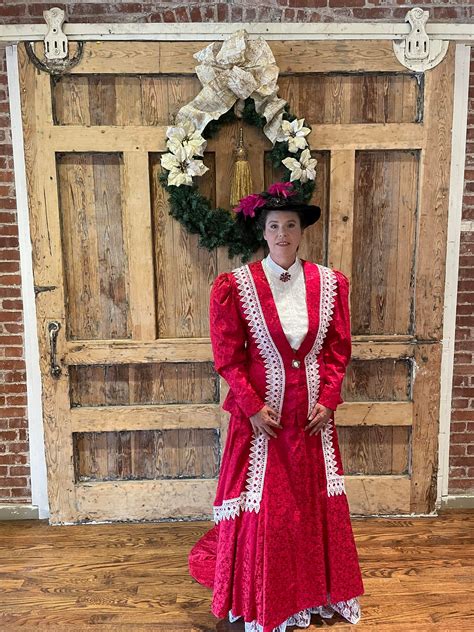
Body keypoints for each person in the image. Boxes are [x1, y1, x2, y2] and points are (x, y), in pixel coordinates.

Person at [188, 183, 364, 632]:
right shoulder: (236, 286)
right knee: (269, 506)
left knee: (308, 505)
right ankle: (265, 595)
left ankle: (312, 592)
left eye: (290, 225)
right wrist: (250, 406)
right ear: (263, 232)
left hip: (312, 420)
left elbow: (337, 350)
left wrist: (329, 399)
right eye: (273, 226)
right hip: (262, 422)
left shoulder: (330, 283)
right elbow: (228, 357)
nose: (282, 234)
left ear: (301, 232)